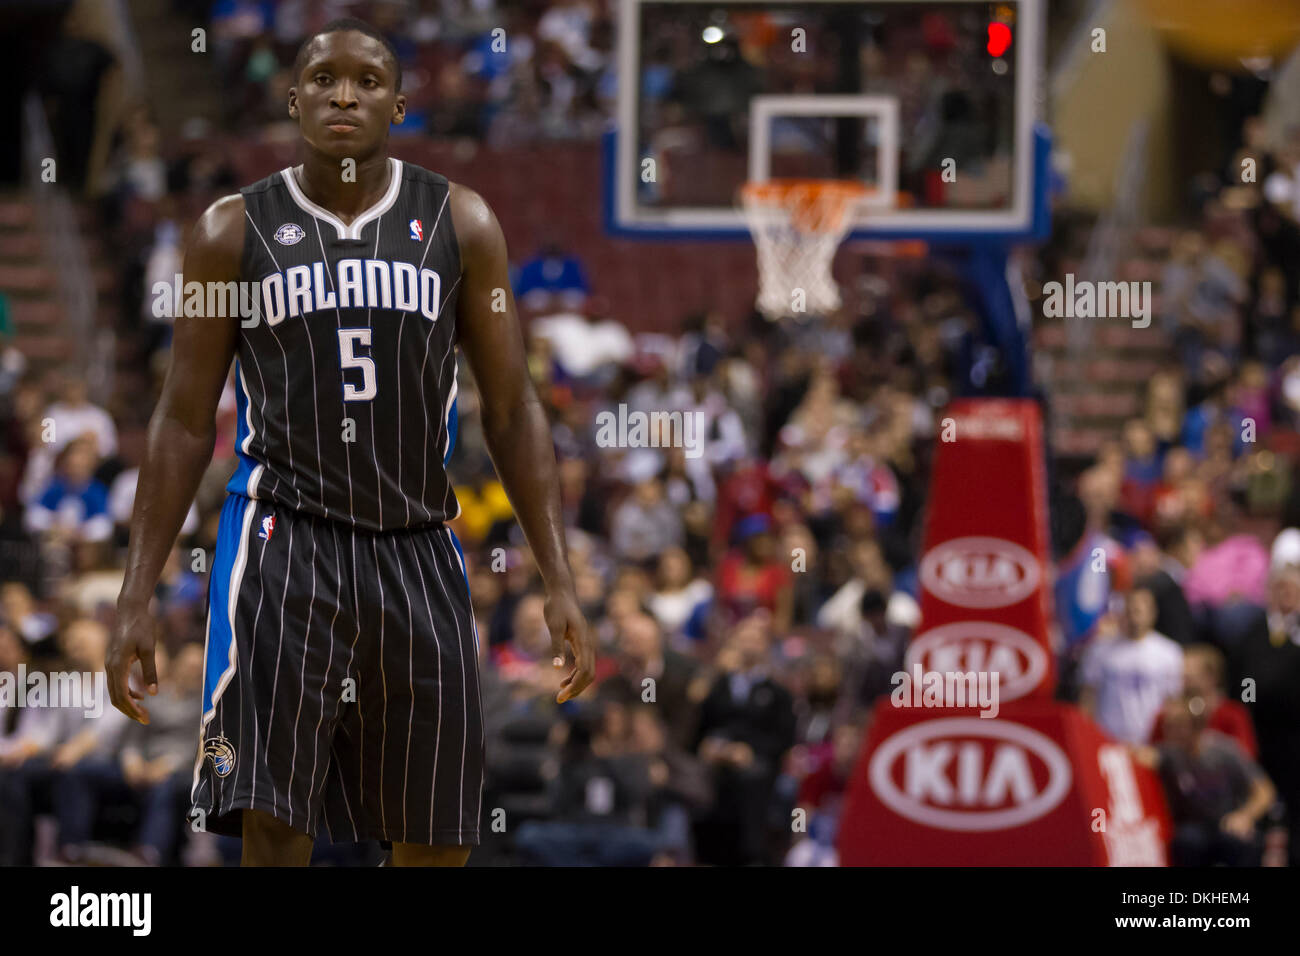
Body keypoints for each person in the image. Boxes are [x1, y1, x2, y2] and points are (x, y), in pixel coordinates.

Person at [107, 18, 595, 867]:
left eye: (366, 81)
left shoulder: (461, 221)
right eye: (323, 79)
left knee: (436, 832)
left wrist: (558, 575)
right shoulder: (230, 232)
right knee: (274, 820)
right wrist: (136, 591)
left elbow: (514, 410)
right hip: (281, 542)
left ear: (400, 104)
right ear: (293, 99)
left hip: (417, 545)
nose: (342, 94)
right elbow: (184, 418)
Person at [1141, 695, 1276, 866]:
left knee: (1239, 842)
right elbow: (1140, 756)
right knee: (1187, 840)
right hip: (1192, 830)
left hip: (1227, 824)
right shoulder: (1170, 753)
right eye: (1168, 725)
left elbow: (1264, 791)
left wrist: (1244, 816)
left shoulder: (1225, 751)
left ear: (1196, 726)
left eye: (1177, 725)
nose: (1168, 730)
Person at [1079, 587, 1183, 744]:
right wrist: (1088, 735)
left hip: (1150, 740)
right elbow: (1088, 696)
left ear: (1152, 614)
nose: (1134, 617)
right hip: (1108, 736)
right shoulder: (1099, 650)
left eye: (1139, 611)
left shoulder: (1169, 653)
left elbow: (1172, 701)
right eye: (1130, 610)